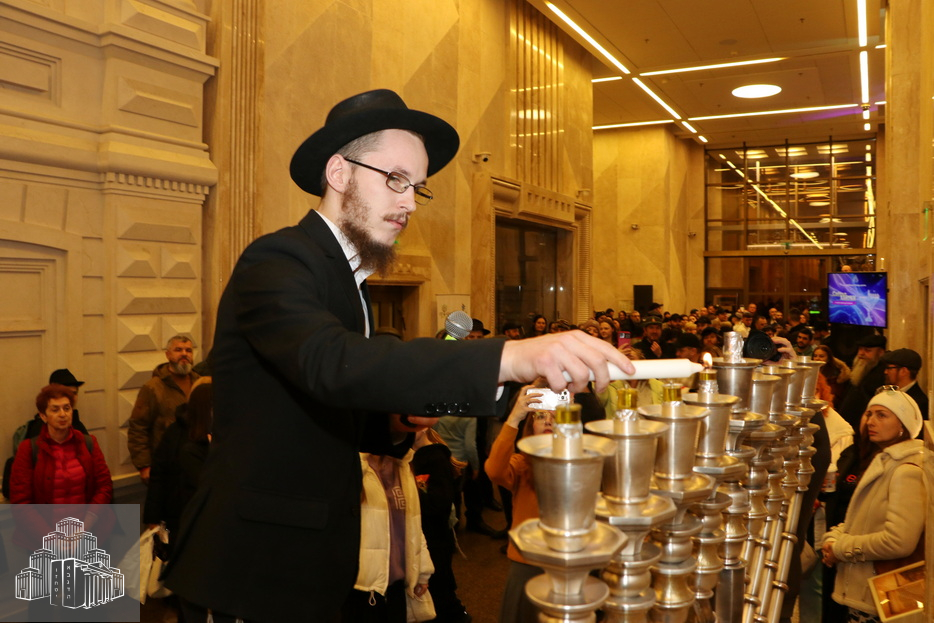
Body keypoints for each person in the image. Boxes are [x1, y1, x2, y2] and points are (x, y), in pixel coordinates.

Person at [163, 89, 633, 622]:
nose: (410, 202)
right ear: (339, 173)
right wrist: (510, 356)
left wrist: (395, 421)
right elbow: (329, 362)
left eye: (417, 187)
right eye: (395, 179)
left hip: (309, 563)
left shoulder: (350, 281)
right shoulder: (278, 259)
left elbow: (322, 409)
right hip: (251, 564)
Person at [821, 389, 926, 622]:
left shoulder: (906, 470)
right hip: (868, 593)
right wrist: (833, 538)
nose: (871, 421)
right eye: (869, 414)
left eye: (882, 415)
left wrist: (841, 549)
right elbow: (861, 519)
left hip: (881, 598)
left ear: (903, 425)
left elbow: (899, 541)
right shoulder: (885, 461)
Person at [9, 384, 113, 545]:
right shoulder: (29, 449)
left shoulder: (88, 443)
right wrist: (52, 539)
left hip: (87, 535)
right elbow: (21, 502)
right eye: (55, 409)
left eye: (67, 408)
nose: (63, 414)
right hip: (44, 540)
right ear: (43, 416)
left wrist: (84, 528)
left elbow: (104, 486)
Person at [486, 385, 550, 623]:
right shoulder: (522, 464)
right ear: (531, 426)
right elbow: (495, 471)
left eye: (557, 416)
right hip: (527, 563)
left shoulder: (581, 461)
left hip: (568, 564)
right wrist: (514, 417)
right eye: (541, 416)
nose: (548, 421)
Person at [128, 335, 201, 484]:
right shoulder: (153, 388)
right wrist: (144, 466)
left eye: (188, 350)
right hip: (167, 465)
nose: (184, 354)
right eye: (178, 350)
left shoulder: (199, 383)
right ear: (168, 355)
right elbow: (138, 428)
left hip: (196, 462)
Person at [880, 348, 928, 423]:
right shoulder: (891, 393)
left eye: (889, 368)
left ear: (903, 371)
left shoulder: (917, 402)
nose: (885, 372)